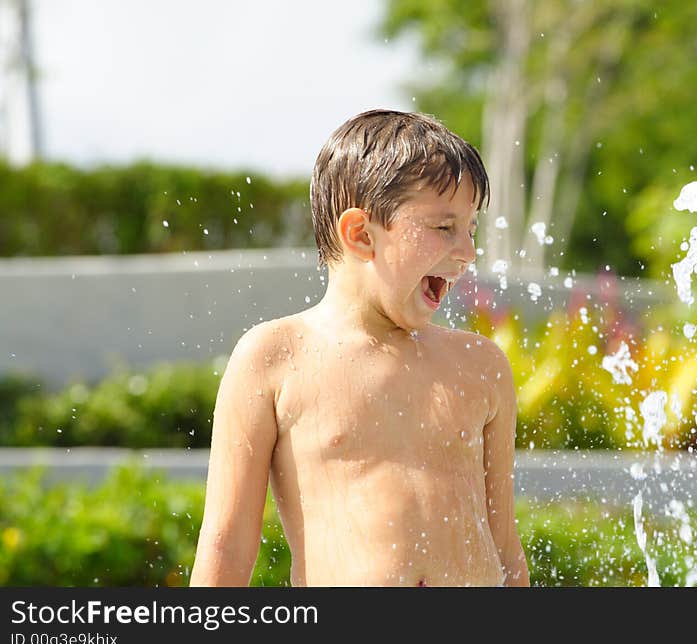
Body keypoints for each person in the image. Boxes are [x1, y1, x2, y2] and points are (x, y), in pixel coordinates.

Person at [190, 109, 530, 587]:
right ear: (361, 235)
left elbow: (505, 546)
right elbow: (227, 545)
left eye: (471, 229)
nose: (468, 251)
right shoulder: (275, 358)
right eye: (443, 227)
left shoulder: (479, 365)